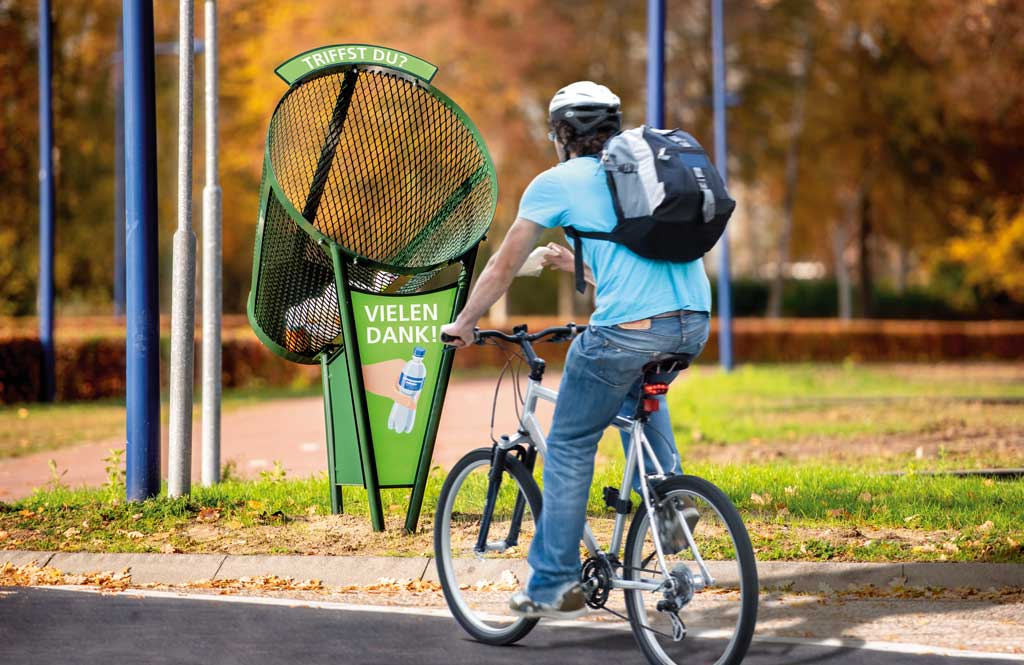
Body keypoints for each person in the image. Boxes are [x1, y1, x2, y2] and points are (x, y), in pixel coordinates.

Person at [439, 81, 712, 619]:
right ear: (613, 127)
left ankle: (551, 583)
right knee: (640, 393)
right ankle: (671, 499)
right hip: (693, 323)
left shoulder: (556, 181)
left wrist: (466, 322)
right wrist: (576, 266)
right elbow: (642, 263)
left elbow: (501, 264)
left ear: (560, 136)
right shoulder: (642, 169)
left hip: (627, 330)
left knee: (568, 443)